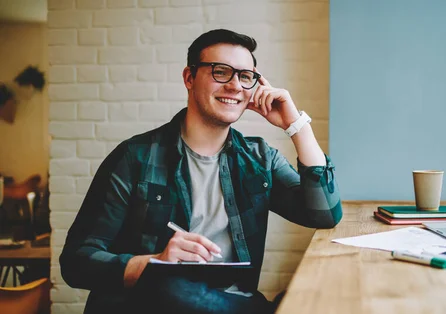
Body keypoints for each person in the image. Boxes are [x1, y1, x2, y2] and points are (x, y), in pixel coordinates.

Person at [59, 29, 343, 314]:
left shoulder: (259, 159)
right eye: (221, 72)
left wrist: (296, 125)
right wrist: (155, 263)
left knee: (319, 293)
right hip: (157, 303)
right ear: (189, 78)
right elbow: (76, 261)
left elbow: (324, 214)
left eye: (245, 76)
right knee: (172, 287)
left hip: (230, 301)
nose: (235, 86)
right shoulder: (135, 157)